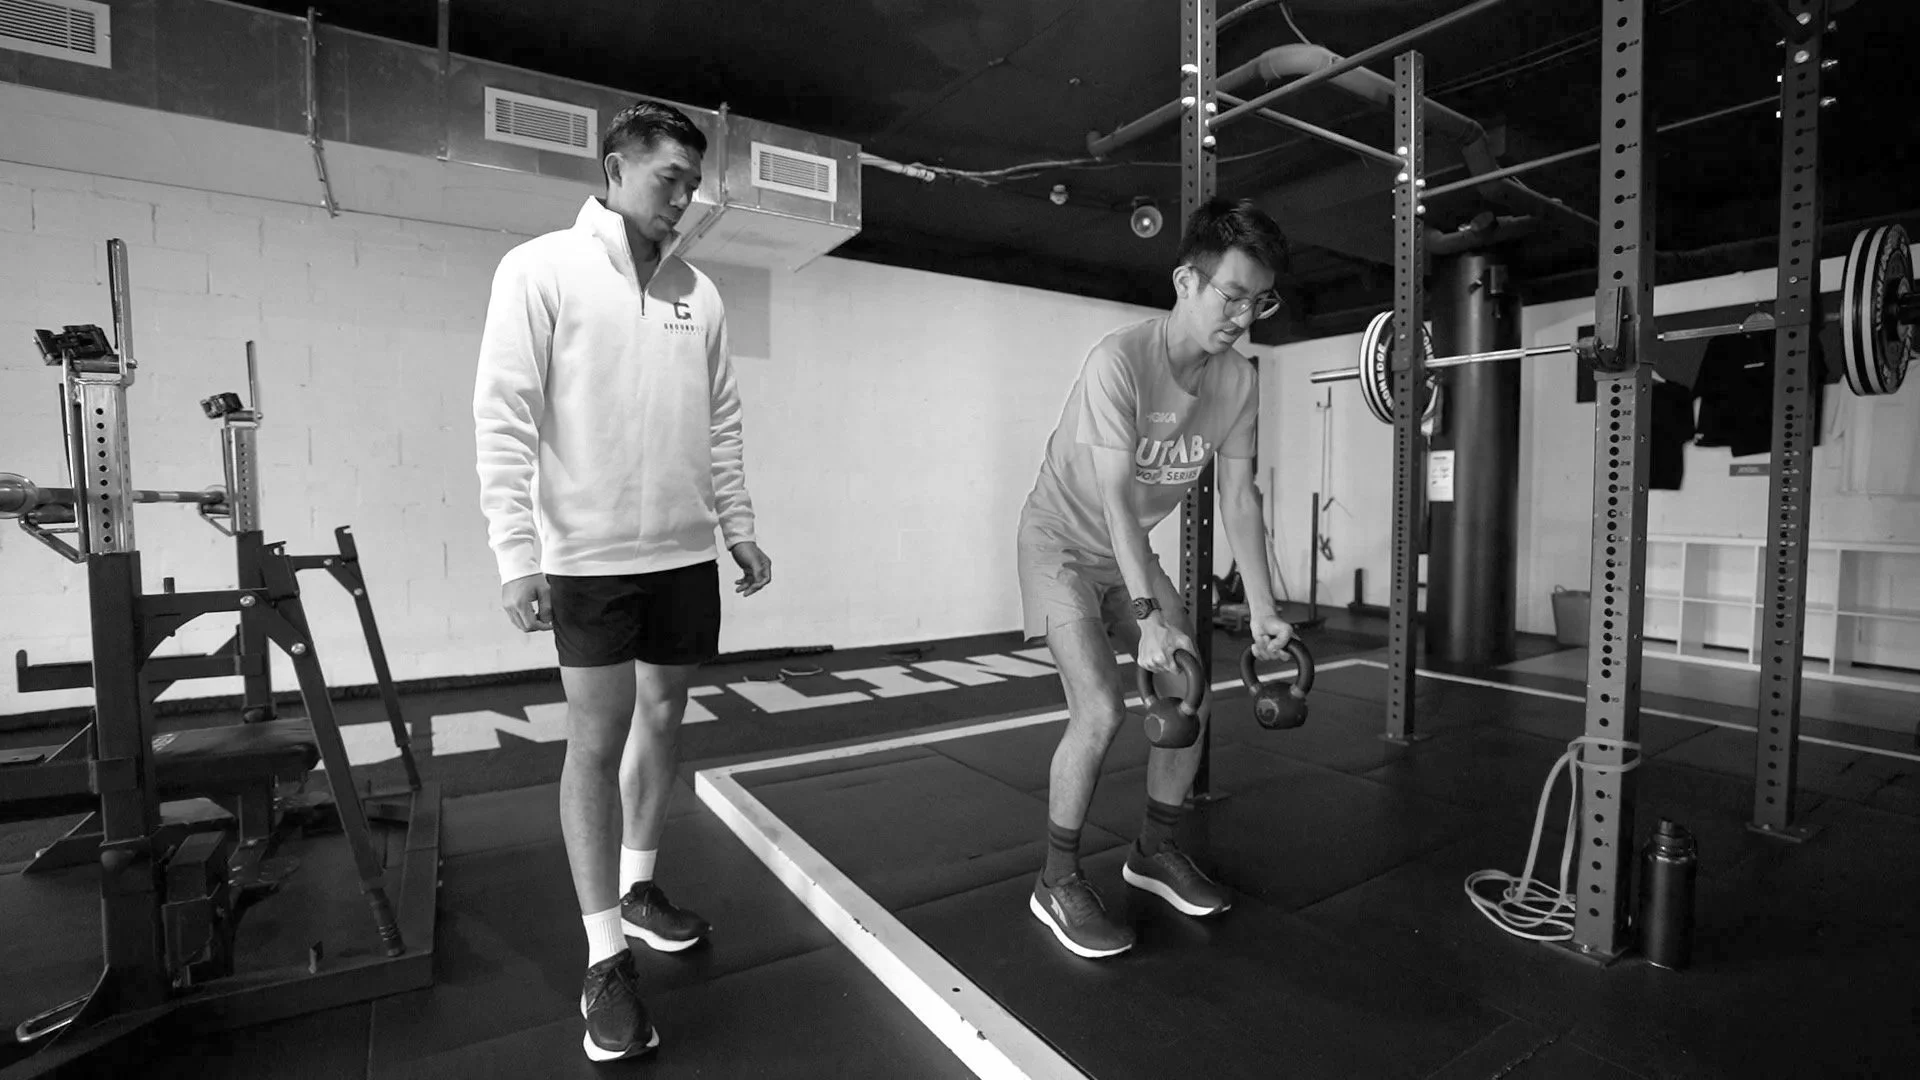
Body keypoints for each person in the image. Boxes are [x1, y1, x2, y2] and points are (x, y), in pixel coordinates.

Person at [472, 99, 772, 1062]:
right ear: (613, 170)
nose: (682, 199)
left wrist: (741, 531)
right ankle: (605, 955)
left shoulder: (702, 293)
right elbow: (504, 417)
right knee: (594, 744)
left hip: (682, 555)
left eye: (692, 183)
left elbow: (720, 426)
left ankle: (639, 887)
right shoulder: (539, 270)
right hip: (589, 561)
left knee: (666, 720)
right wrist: (517, 555)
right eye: (666, 180)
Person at [1016, 196, 1295, 959]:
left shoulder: (1239, 380)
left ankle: (1154, 852)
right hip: (1064, 544)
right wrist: (1150, 617)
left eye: (1258, 300)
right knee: (1101, 708)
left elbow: (1240, 496)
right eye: (1231, 295)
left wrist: (1267, 609)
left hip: (1128, 544)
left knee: (1191, 693)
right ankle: (1057, 877)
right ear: (1186, 281)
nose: (1243, 316)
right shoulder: (1119, 361)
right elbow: (1110, 501)